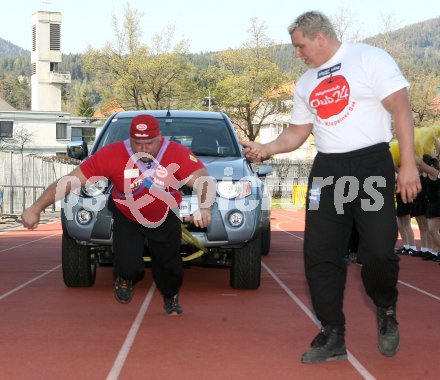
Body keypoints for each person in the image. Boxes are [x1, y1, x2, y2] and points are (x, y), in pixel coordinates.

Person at [241, 11, 420, 364]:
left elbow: (400, 108)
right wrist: (267, 148)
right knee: (320, 254)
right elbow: (297, 132)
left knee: (378, 252)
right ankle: (332, 333)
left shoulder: (369, 58)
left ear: (320, 37)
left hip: (370, 165)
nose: (298, 54)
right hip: (329, 170)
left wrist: (409, 165)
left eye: (300, 46)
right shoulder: (306, 83)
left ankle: (385, 307)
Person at [21, 114, 216, 315]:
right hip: (128, 214)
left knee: (169, 266)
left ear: (159, 138)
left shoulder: (176, 153)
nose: (143, 149)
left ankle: (171, 295)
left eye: (149, 143)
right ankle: (124, 278)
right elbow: (69, 182)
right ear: (130, 138)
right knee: (130, 266)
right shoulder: (112, 154)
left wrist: (205, 206)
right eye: (137, 143)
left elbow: (203, 180)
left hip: (164, 214)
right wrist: (36, 208)